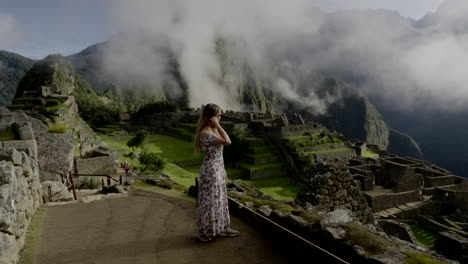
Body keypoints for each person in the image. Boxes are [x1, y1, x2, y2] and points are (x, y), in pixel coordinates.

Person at [194, 103, 240, 242]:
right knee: (210, 203)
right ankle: (207, 231)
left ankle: (222, 228)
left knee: (220, 200)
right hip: (211, 172)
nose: (220, 118)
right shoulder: (206, 133)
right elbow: (228, 141)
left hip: (217, 169)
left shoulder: (211, 131)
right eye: (219, 116)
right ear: (212, 117)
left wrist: (223, 170)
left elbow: (218, 154)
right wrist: (218, 126)